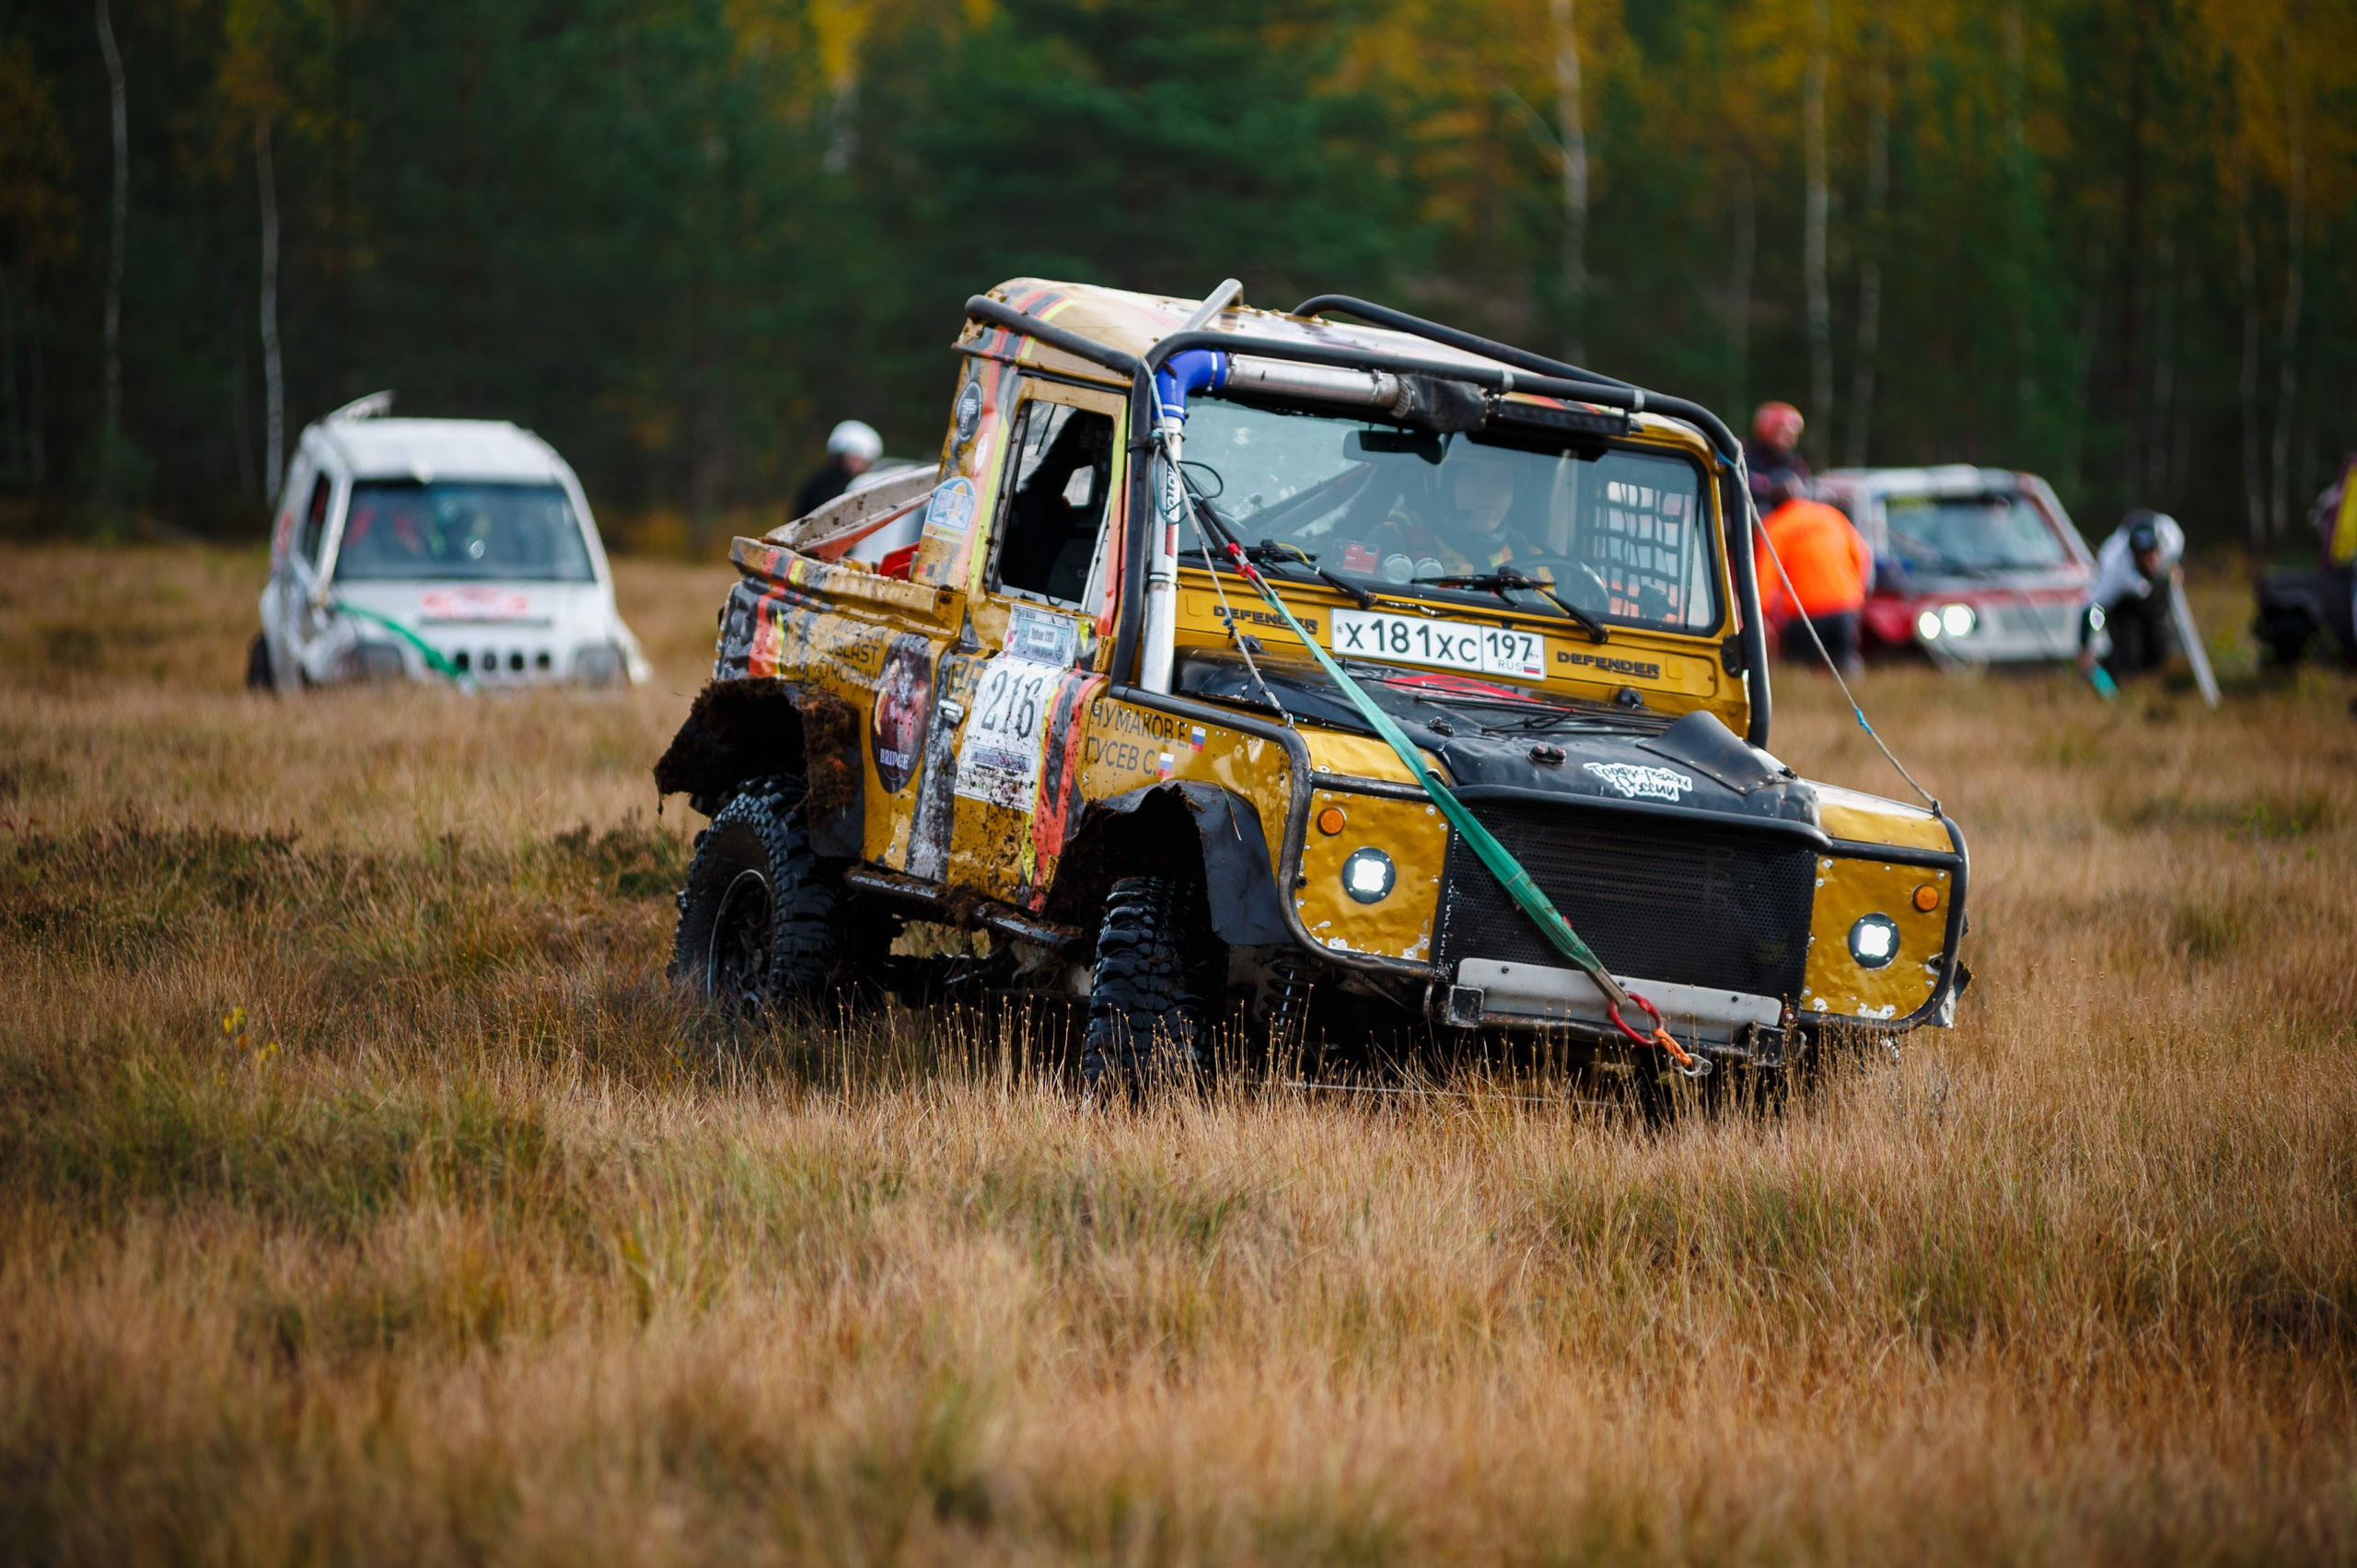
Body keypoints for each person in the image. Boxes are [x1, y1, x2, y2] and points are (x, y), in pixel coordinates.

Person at [1754, 475, 1873, 674]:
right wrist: (1858, 593)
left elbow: (1765, 577)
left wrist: (1761, 613)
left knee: (1805, 670)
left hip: (1804, 612)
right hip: (1845, 604)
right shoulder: (1831, 515)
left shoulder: (1774, 526)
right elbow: (1862, 555)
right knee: (1846, 665)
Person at [2078, 509, 2185, 680]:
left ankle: (2141, 683)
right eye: (2141, 556)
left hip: (2151, 598)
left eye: (2151, 554)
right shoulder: (2115, 567)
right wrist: (2086, 647)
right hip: (2122, 604)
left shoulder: (2170, 537)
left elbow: (2179, 556)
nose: (2147, 560)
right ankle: (2100, 672)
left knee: (2158, 651)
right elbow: (2093, 608)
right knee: (2128, 654)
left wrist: (2178, 567)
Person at [791, 419, 884, 519]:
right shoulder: (823, 485)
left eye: (864, 462)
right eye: (856, 459)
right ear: (842, 455)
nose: (861, 466)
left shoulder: (856, 483)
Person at [1745, 401, 1812, 514]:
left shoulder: (1795, 465)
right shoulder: (1745, 458)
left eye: (1794, 432)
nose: (1791, 437)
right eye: (1785, 430)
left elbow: (1804, 498)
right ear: (1769, 429)